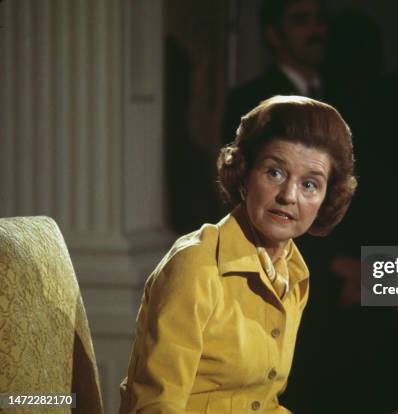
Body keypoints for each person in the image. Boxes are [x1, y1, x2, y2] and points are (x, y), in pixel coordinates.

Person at [118, 95, 356, 413]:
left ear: (327, 198)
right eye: (275, 173)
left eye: (310, 184)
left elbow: (261, 402)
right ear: (244, 173)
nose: (288, 196)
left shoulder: (294, 271)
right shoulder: (197, 264)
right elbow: (154, 405)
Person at [222, 0, 327, 144]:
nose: (315, 30)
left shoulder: (346, 94)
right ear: (274, 35)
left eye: (320, 19)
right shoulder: (251, 101)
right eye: (300, 21)